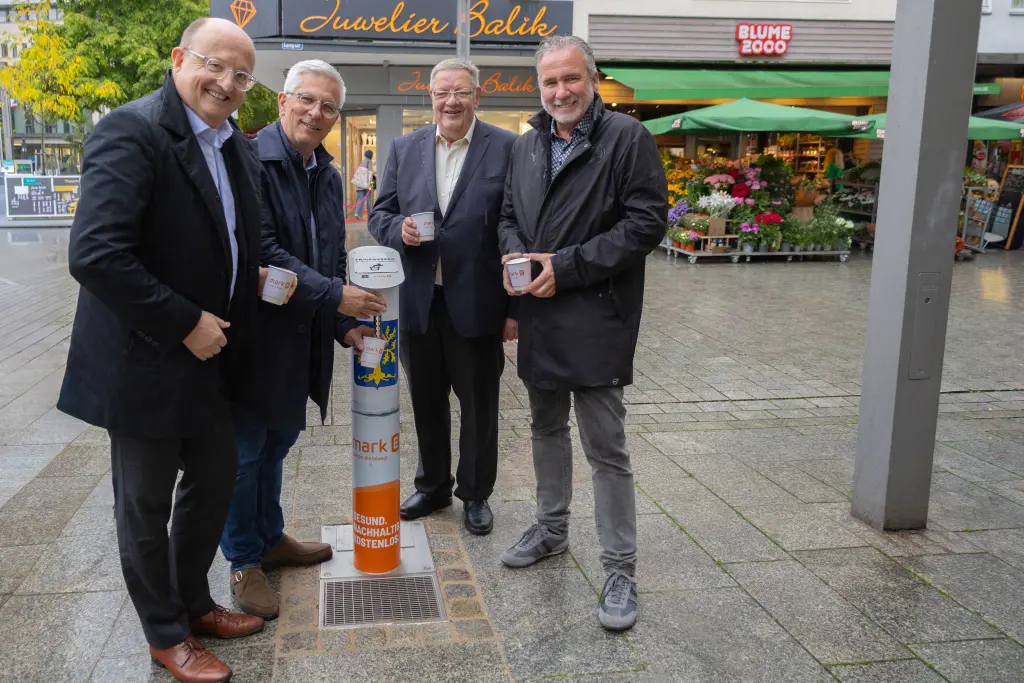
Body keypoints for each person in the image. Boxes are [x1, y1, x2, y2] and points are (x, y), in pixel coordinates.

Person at [56, 17, 279, 683]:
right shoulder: (133, 129)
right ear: (181, 58)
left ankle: (194, 602)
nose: (228, 83)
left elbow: (240, 241)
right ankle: (165, 633)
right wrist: (185, 321)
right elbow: (95, 254)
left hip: (211, 361)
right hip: (146, 359)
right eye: (216, 66)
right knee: (144, 508)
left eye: (242, 75)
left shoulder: (235, 144)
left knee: (215, 480)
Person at [496, 35, 668, 631]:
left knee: (606, 450)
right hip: (539, 312)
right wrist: (516, 257)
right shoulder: (526, 145)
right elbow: (509, 217)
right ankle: (551, 528)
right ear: (538, 88)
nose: (561, 92)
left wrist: (562, 268)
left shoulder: (627, 138)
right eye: (550, 82)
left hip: (597, 315)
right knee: (544, 428)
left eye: (571, 79)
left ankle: (620, 568)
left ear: (592, 77)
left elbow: (647, 224)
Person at [222, 60, 386, 618]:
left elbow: (329, 259)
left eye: (329, 107)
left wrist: (343, 324)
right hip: (253, 338)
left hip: (301, 341)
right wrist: (336, 298)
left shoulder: (328, 172)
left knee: (277, 445)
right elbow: (261, 250)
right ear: (283, 101)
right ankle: (243, 560)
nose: (316, 114)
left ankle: (269, 538)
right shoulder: (247, 159)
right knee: (244, 453)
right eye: (307, 100)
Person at [369, 58, 518, 535]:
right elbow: (381, 213)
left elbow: (518, 226)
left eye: (460, 92)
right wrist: (399, 229)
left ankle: (475, 494)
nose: (450, 101)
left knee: (479, 406)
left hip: (478, 303)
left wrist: (515, 309)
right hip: (419, 302)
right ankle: (432, 487)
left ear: (478, 95)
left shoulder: (507, 148)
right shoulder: (405, 147)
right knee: (426, 401)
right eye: (441, 93)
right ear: (430, 97)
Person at [352, 149, 374, 219]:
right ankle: (370, 214)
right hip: (366, 185)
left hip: (359, 184)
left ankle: (357, 213)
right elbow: (370, 173)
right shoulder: (369, 162)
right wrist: (370, 183)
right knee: (369, 199)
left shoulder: (363, 162)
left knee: (360, 198)